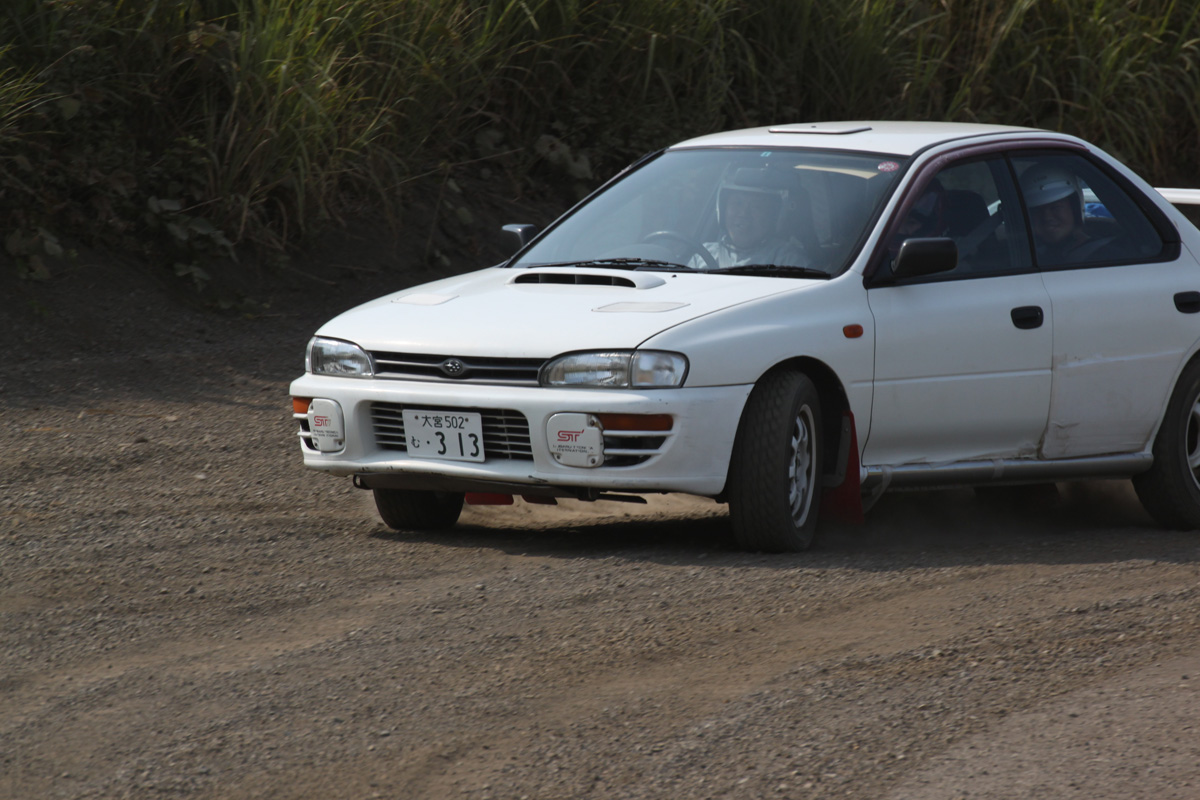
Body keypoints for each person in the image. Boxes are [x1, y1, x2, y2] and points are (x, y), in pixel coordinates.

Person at [690, 168, 809, 269]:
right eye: (737, 203)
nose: (743, 213)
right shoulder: (704, 255)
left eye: (757, 206)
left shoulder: (787, 261)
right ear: (723, 209)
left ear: (772, 217)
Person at [1019, 165, 1108, 263]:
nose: (1047, 217)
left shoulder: (1104, 255)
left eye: (1056, 207)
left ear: (1075, 208)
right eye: (1037, 210)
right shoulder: (1025, 257)